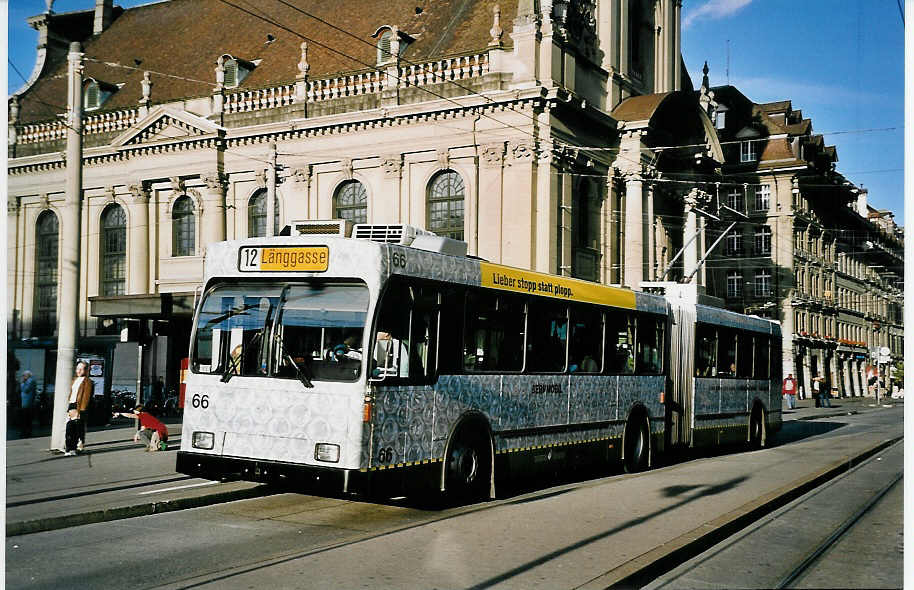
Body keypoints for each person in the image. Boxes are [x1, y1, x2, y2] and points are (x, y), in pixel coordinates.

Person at [65, 361, 93, 456]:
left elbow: (86, 397)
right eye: (78, 368)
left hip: (79, 406)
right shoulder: (75, 380)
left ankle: (72, 449)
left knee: (74, 428)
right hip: (72, 405)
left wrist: (81, 410)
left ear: (86, 370)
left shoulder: (87, 382)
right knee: (69, 427)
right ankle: (69, 448)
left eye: (82, 369)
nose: (79, 371)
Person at [19, 370, 37, 437]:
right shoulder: (29, 381)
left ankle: (26, 432)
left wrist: (22, 383)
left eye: (24, 375)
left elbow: (25, 390)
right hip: (26, 403)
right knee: (26, 419)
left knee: (26, 419)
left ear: (28, 375)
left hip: (27, 403)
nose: (23, 377)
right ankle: (26, 432)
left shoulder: (30, 381)